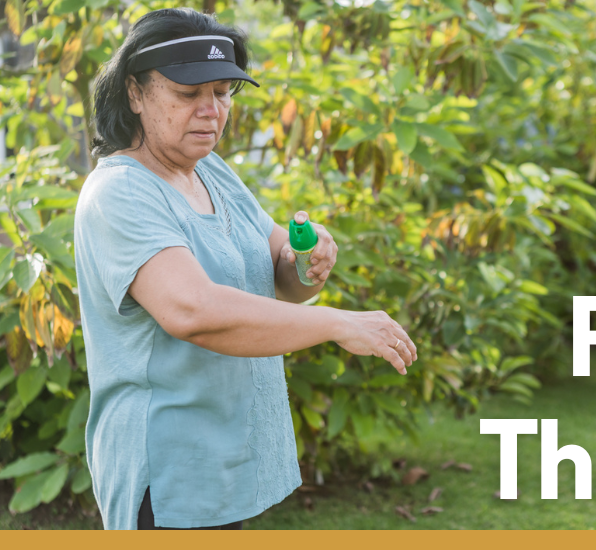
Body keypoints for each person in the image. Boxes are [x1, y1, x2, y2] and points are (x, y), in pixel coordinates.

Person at [73, 8, 417, 530]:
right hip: (168, 473)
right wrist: (338, 323)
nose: (210, 110)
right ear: (135, 93)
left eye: (222, 92)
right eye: (188, 93)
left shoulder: (210, 170)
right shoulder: (120, 191)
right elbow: (194, 311)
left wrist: (307, 259)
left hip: (225, 463)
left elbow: (283, 277)